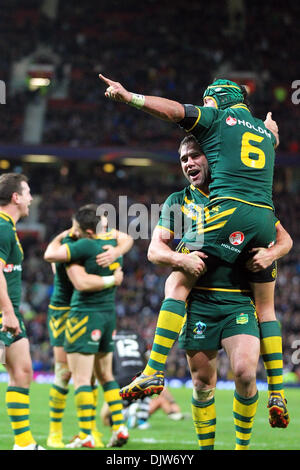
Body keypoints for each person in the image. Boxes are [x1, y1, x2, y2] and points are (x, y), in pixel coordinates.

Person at [99, 75, 292, 428]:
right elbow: (156, 250)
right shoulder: (257, 137)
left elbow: (175, 111)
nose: (188, 164)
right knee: (208, 380)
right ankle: (276, 391)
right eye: (183, 159)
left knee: (177, 284)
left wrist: (130, 97)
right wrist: (272, 133)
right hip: (260, 217)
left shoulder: (216, 122)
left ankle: (154, 371)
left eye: (194, 156)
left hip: (231, 238)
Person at [44, 205, 133, 448]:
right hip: (64, 311)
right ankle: (55, 432)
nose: (109, 227)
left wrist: (116, 252)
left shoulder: (96, 241)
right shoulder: (74, 241)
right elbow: (60, 264)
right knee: (65, 373)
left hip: (84, 311)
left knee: (90, 376)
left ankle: (90, 431)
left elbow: (125, 238)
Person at [0, 173, 44, 450]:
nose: (30, 198)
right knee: (20, 371)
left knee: (23, 371)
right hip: (5, 313)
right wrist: (8, 312)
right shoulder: (2, 228)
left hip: (10, 311)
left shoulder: (8, 227)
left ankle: (24, 444)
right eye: (27, 192)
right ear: (16, 197)